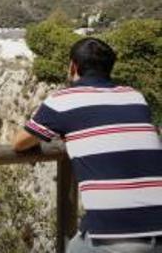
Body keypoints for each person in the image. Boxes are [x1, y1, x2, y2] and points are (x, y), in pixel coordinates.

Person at [13, 38, 162, 252]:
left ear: (73, 66)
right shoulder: (135, 97)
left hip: (114, 235)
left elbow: (19, 143)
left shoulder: (63, 100)